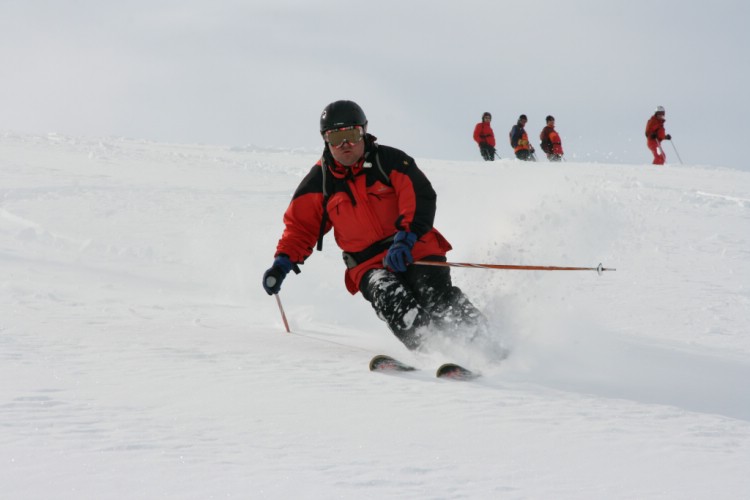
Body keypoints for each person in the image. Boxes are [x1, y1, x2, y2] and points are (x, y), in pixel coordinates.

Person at [262, 100, 487, 351]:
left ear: (364, 132)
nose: (345, 144)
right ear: (325, 140)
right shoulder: (319, 182)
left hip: (414, 248)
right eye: (336, 137)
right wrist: (282, 262)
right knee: (389, 297)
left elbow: (419, 197)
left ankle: (486, 344)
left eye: (351, 134)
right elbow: (300, 227)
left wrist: (406, 238)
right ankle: (434, 353)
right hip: (368, 264)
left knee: (434, 294)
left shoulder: (390, 161)